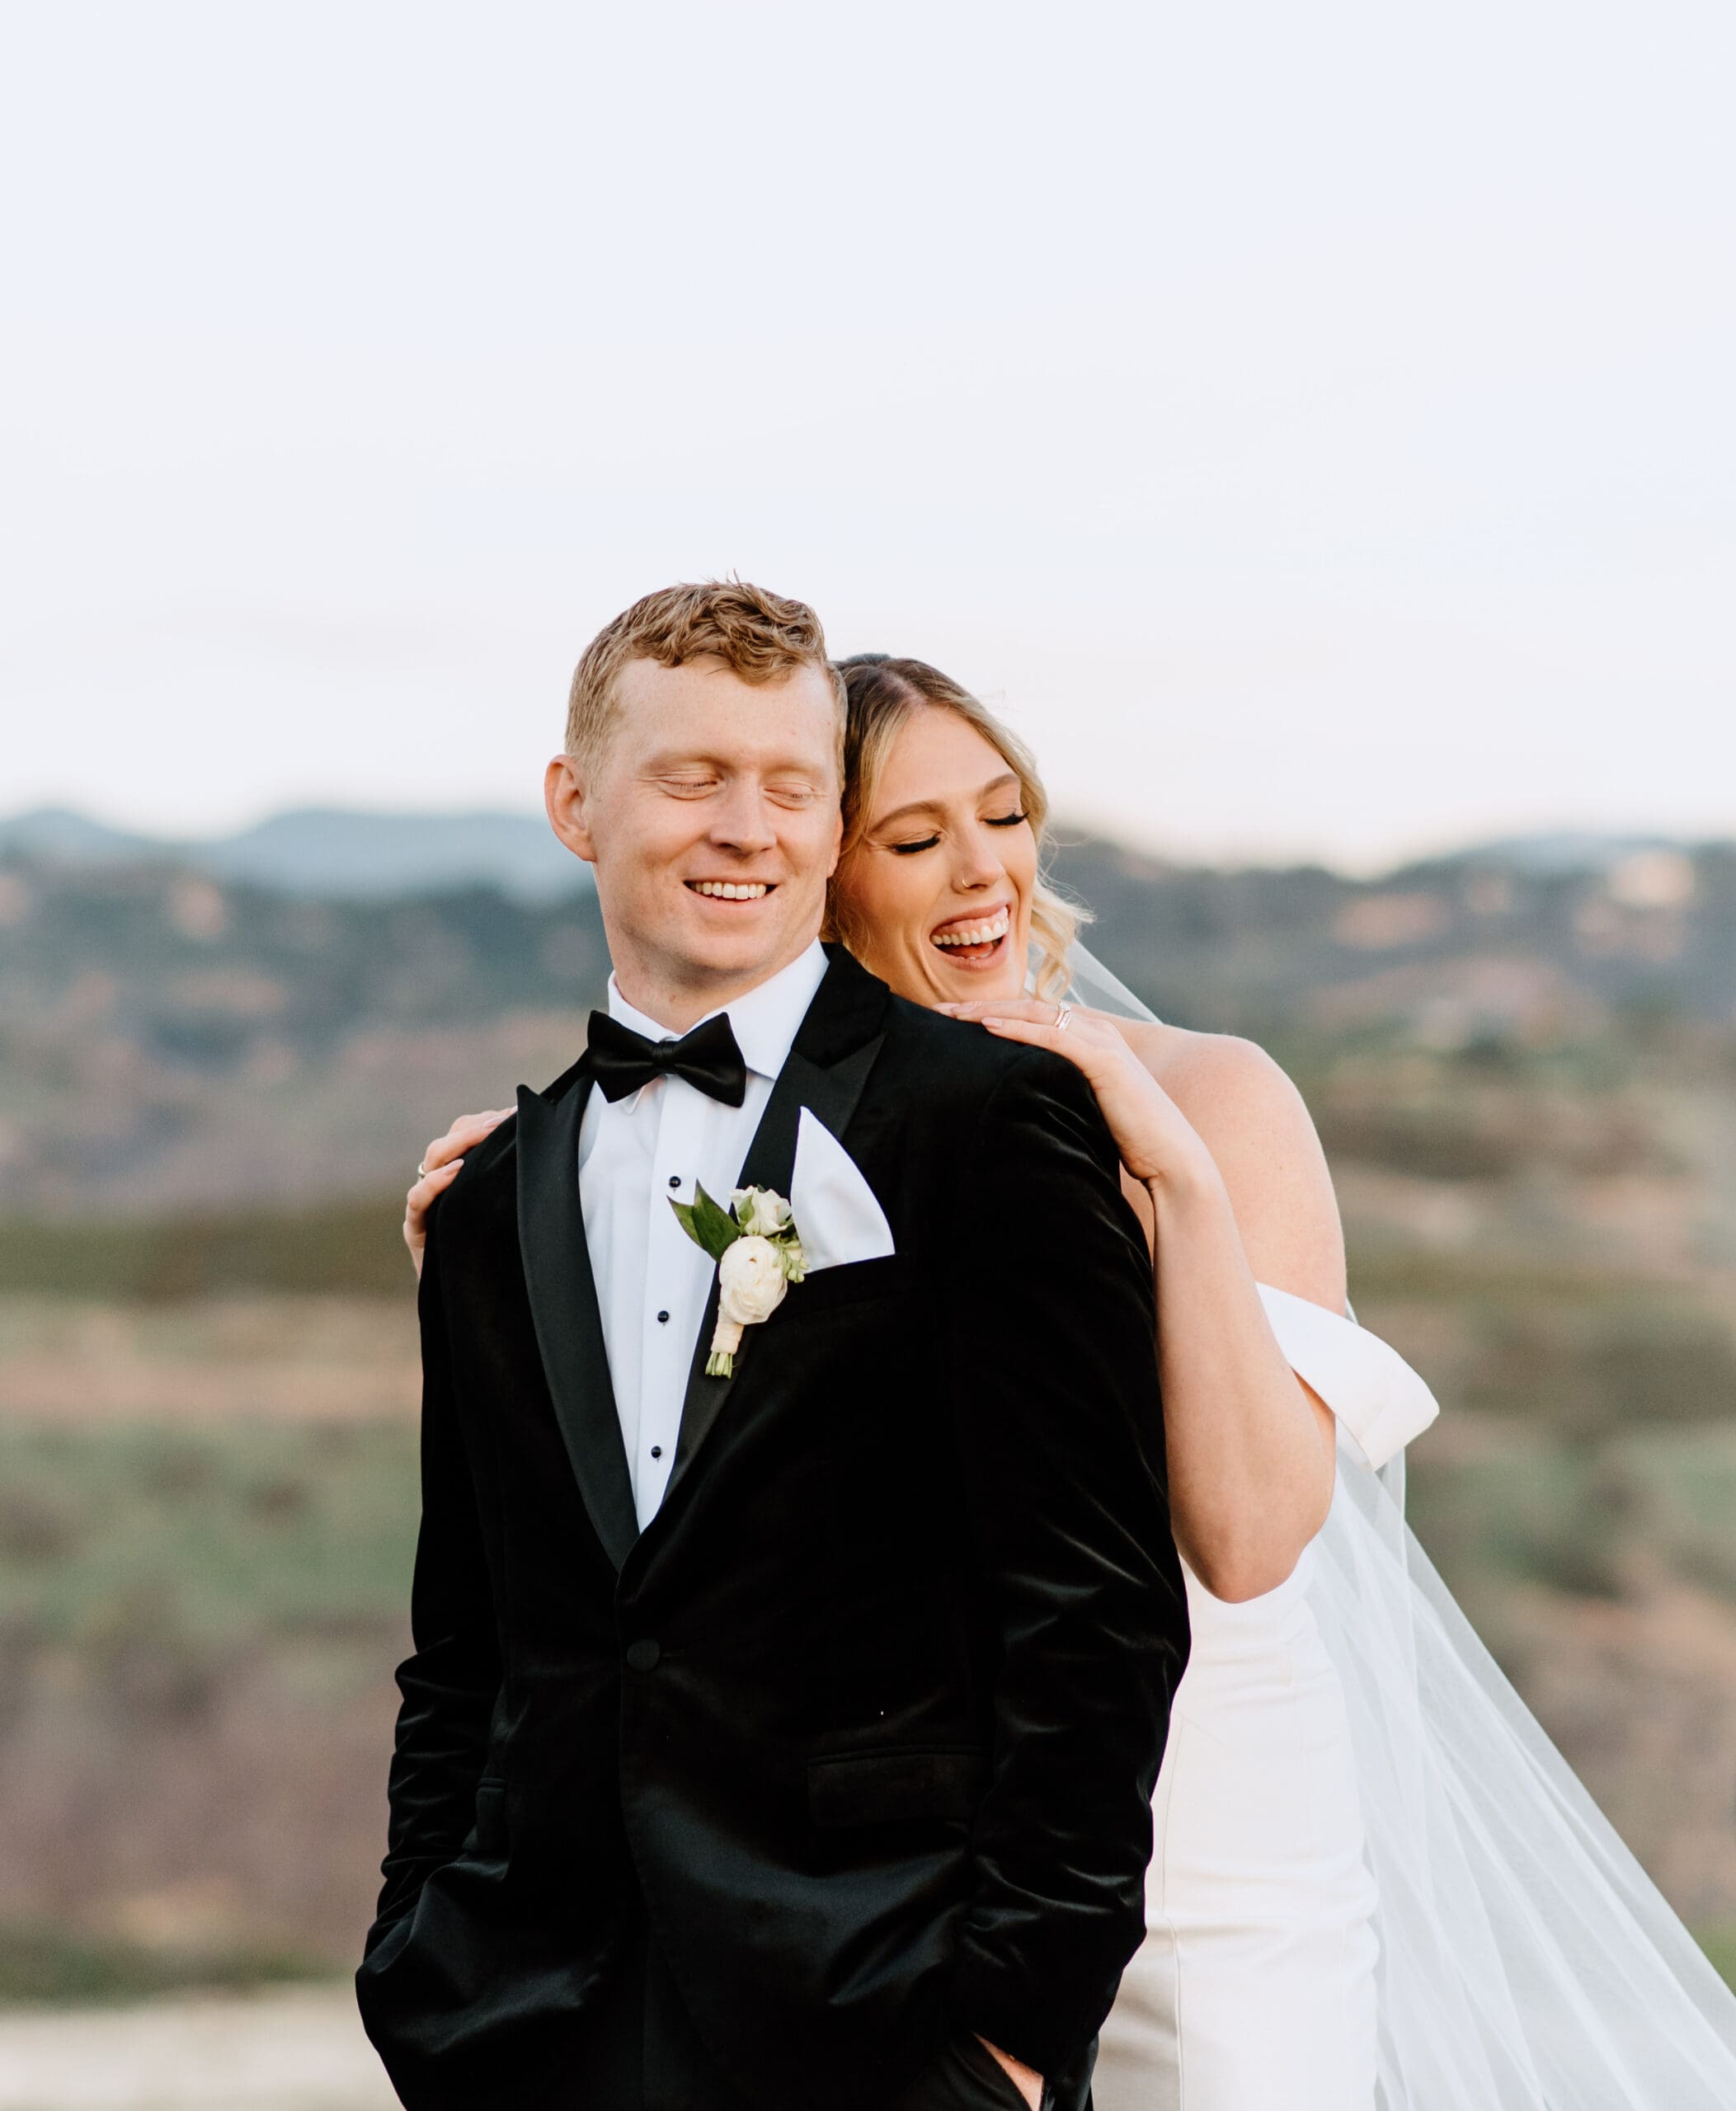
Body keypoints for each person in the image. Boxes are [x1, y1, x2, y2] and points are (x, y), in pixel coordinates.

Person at [412, 650, 1736, 2109]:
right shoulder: (783, 1141)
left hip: (1218, 1837)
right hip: (898, 1887)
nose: (982, 871)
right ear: (826, 877)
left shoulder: (1218, 1099)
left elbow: (1246, 1537)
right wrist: (530, 1252)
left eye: (1005, 814)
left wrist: (1172, 1173)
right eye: (914, 840)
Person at [357, 585, 1190, 2111]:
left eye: (792, 786)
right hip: (528, 2022)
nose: (747, 827)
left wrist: (1014, 2035)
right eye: (693, 779)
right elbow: (467, 1644)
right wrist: (420, 1959)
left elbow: (1094, 1615)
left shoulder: (992, 1128)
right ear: (574, 804)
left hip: (889, 2015)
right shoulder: (487, 1203)